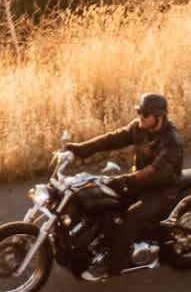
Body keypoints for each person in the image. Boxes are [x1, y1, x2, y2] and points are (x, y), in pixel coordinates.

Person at [65, 92, 184, 281]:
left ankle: (112, 265)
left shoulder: (172, 141)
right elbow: (113, 138)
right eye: (139, 112)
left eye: (145, 114)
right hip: (139, 182)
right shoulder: (139, 128)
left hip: (162, 189)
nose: (140, 117)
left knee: (133, 216)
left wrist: (125, 181)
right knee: (104, 203)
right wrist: (84, 148)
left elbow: (157, 171)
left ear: (159, 116)